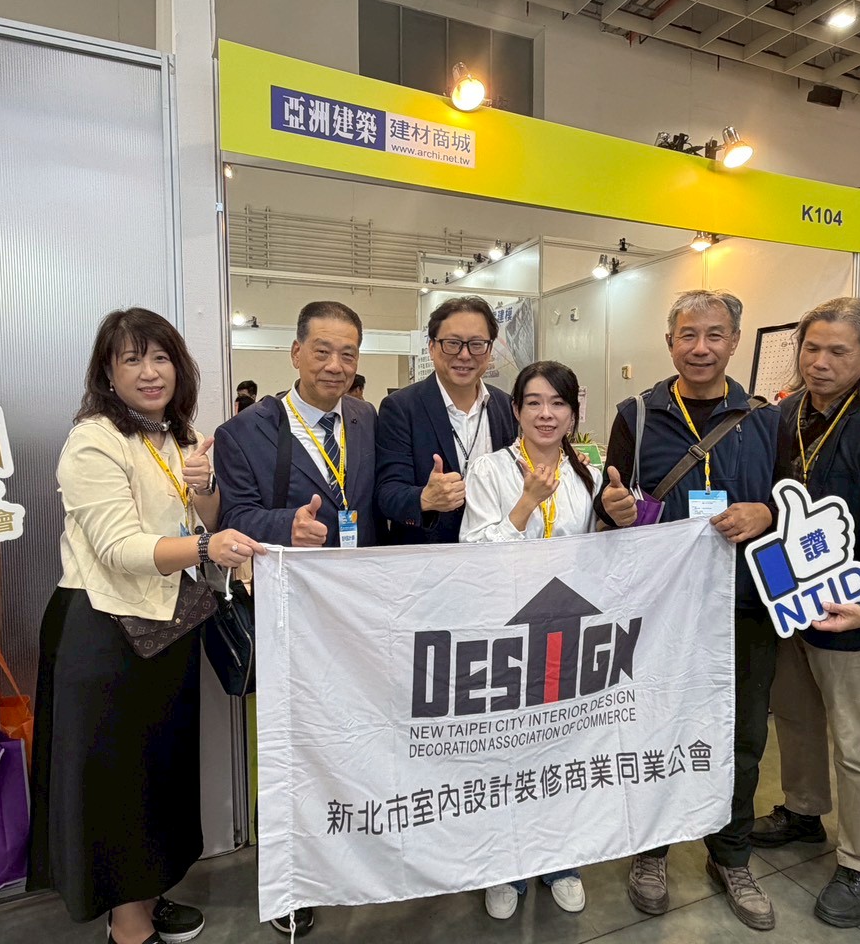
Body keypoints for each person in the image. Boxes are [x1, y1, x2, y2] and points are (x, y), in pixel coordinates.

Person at [31, 309, 264, 943]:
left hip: (167, 625)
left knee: (159, 772)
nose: (149, 372)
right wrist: (207, 548)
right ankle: (127, 927)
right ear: (108, 373)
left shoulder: (177, 436)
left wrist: (205, 486)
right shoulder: (94, 440)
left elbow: (200, 515)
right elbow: (119, 548)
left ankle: (148, 894)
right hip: (105, 632)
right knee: (118, 784)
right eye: (131, 359)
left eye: (160, 357)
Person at [594, 290, 781, 931]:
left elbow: (794, 497)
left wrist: (768, 512)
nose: (701, 347)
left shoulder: (766, 419)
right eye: (688, 335)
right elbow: (611, 507)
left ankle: (731, 855)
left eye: (715, 334)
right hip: (662, 609)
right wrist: (614, 510)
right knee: (654, 727)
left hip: (744, 605)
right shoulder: (637, 415)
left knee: (744, 736)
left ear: (735, 341)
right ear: (669, 341)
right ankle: (653, 850)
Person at [750, 297, 860, 929]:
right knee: (795, 717)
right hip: (786, 600)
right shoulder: (785, 414)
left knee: (856, 739)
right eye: (811, 348)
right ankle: (803, 810)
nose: (819, 362)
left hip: (847, 607)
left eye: (837, 352)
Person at [215, 300, 379, 936]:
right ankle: (285, 882)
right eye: (322, 351)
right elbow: (235, 518)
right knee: (287, 750)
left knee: (349, 740)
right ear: (295, 352)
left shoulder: (364, 419)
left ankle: (344, 859)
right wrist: (289, 526)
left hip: (354, 613)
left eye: (348, 354)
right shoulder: (244, 432)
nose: (335, 365)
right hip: (286, 614)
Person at [460, 361, 602, 919]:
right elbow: (472, 554)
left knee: (564, 746)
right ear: (515, 410)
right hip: (504, 633)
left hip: (567, 631)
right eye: (534, 403)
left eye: (558, 403)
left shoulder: (589, 472)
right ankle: (505, 864)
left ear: (573, 412)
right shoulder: (489, 469)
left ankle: (560, 857)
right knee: (506, 751)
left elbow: (601, 553)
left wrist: (620, 516)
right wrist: (524, 504)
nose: (547, 414)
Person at [376, 296, 518, 546]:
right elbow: (387, 493)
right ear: (432, 347)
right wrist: (424, 498)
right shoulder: (401, 408)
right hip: (428, 555)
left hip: (494, 550)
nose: (464, 355)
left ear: (489, 349)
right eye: (452, 343)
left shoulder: (506, 406)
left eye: (476, 344)